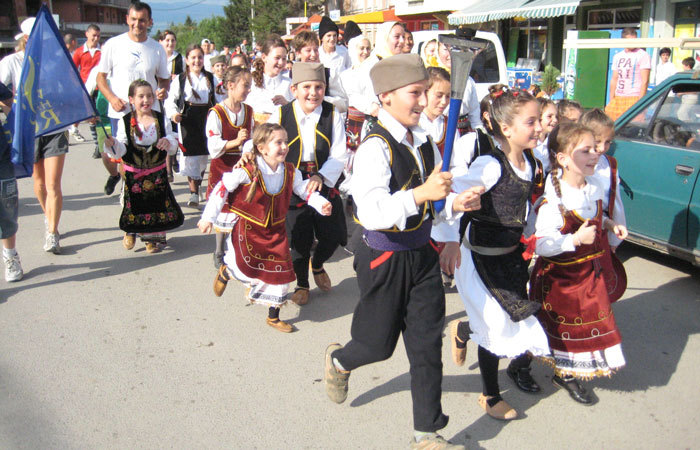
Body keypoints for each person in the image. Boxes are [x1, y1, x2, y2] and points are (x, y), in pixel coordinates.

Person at [324, 54, 483, 449]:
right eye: (416, 93)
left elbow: (432, 205)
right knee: (377, 344)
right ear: (387, 96)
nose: (423, 100)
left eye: (425, 92)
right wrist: (420, 195)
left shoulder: (425, 141)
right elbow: (373, 212)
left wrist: (452, 211)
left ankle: (426, 433)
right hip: (383, 258)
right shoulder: (373, 148)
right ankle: (341, 361)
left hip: (423, 256)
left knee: (427, 347)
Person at [440, 89, 550, 421]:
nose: (537, 128)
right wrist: (451, 230)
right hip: (479, 260)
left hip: (510, 257)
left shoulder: (533, 162)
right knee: (495, 327)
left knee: (507, 322)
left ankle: (462, 330)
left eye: (537, 121)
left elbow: (527, 207)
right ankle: (489, 395)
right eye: (530, 122)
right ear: (505, 126)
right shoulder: (489, 164)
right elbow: (453, 192)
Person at [199, 123, 332, 332]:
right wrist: (208, 217)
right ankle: (226, 272)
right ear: (262, 148)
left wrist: (319, 203)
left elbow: (304, 190)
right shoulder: (248, 170)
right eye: (278, 142)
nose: (284, 146)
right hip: (249, 231)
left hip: (276, 233)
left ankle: (273, 317)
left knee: (279, 275)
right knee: (246, 271)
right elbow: (223, 187)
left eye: (286, 142)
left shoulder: (290, 171)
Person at [530, 122, 627, 404]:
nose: (595, 154)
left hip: (589, 278)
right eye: (586, 151)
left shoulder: (592, 187)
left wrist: (609, 224)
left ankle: (566, 375)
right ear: (562, 158)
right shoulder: (555, 201)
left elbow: (596, 215)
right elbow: (543, 244)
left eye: (595, 148)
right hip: (562, 282)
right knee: (552, 331)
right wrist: (574, 240)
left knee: (584, 329)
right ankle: (521, 366)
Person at [261, 62, 348, 306]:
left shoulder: (332, 114)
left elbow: (340, 154)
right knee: (299, 238)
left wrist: (321, 176)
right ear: (294, 89)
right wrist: (249, 153)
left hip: (324, 181)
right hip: (292, 183)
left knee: (333, 235)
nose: (313, 92)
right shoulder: (281, 114)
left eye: (319, 87)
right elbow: (261, 140)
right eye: (306, 87)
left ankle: (318, 264)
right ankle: (302, 283)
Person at [97, 1, 170, 197]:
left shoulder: (156, 48)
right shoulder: (114, 44)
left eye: (142, 20)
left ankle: (145, 191)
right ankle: (128, 189)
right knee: (124, 155)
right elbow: (100, 77)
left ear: (150, 22)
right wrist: (112, 98)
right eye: (134, 20)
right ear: (127, 19)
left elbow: (164, 79)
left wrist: (162, 90)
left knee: (147, 156)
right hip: (121, 111)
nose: (137, 24)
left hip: (148, 111)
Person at [103, 79, 184, 253]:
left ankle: (151, 240)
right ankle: (130, 231)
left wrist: (167, 141)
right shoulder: (126, 121)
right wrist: (113, 144)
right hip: (135, 174)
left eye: (149, 96)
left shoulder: (161, 119)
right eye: (141, 96)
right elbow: (122, 147)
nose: (145, 100)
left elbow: (173, 140)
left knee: (155, 206)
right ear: (131, 99)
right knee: (135, 206)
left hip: (156, 174)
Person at [206, 66, 254, 268]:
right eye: (245, 86)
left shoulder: (248, 111)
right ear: (230, 86)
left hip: (241, 167)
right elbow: (213, 146)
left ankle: (238, 249)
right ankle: (218, 250)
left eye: (250, 86)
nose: (248, 90)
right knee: (222, 206)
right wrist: (235, 142)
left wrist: (247, 151)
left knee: (240, 208)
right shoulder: (216, 112)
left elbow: (250, 139)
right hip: (222, 166)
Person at [165, 44, 216, 208]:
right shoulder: (180, 79)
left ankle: (198, 186)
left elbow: (220, 98)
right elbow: (170, 101)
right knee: (189, 157)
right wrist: (174, 114)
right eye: (193, 57)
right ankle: (193, 192)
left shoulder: (211, 77)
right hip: (187, 119)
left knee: (202, 157)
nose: (197, 61)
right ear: (187, 60)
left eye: (200, 57)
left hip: (206, 119)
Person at [580, 108, 627, 250]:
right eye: (597, 141)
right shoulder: (575, 163)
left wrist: (614, 240)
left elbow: (615, 202)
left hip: (602, 229)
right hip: (577, 230)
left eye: (608, 142)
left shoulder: (610, 165)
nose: (602, 147)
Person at [0, 81, 23, 281]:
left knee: (7, 208)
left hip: (1, 156)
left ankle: (10, 255)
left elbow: (9, 104)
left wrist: (4, 109)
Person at [292, 31, 348, 114]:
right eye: (308, 50)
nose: (313, 54)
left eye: (315, 50)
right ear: (298, 53)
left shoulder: (329, 74)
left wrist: (320, 99)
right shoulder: (289, 75)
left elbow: (343, 104)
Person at [605, 28, 650, 121]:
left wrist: (640, 103)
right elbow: (614, 79)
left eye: (634, 40)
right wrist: (611, 99)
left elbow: (645, 81)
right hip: (618, 97)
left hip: (634, 97)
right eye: (630, 40)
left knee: (632, 127)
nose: (632, 43)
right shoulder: (618, 56)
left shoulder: (643, 55)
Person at [247, 34, 293, 125]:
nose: (281, 62)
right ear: (264, 57)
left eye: (284, 59)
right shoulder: (251, 81)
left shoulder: (288, 82)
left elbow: (297, 111)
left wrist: (286, 104)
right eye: (277, 58)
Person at [72, 24, 102, 156]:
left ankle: (101, 145)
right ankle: (97, 145)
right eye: (94, 35)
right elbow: (72, 69)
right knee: (91, 117)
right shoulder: (80, 51)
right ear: (87, 34)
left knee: (100, 115)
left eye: (98, 36)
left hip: (100, 87)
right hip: (85, 88)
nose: (96, 38)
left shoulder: (103, 51)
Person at [339, 35, 372, 152]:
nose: (365, 52)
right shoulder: (345, 75)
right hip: (351, 120)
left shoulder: (374, 71)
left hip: (370, 119)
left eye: (368, 49)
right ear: (353, 49)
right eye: (361, 48)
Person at [159, 29, 183, 181]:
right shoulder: (157, 56)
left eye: (172, 40)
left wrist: (177, 77)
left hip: (174, 98)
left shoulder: (179, 58)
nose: (170, 43)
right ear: (161, 41)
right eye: (167, 40)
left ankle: (173, 159)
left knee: (174, 131)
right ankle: (167, 170)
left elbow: (185, 76)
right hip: (158, 98)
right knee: (163, 131)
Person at [532, 97, 558, 174]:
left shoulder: (553, 141)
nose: (555, 120)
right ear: (538, 117)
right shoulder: (529, 143)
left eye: (556, 116)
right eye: (549, 116)